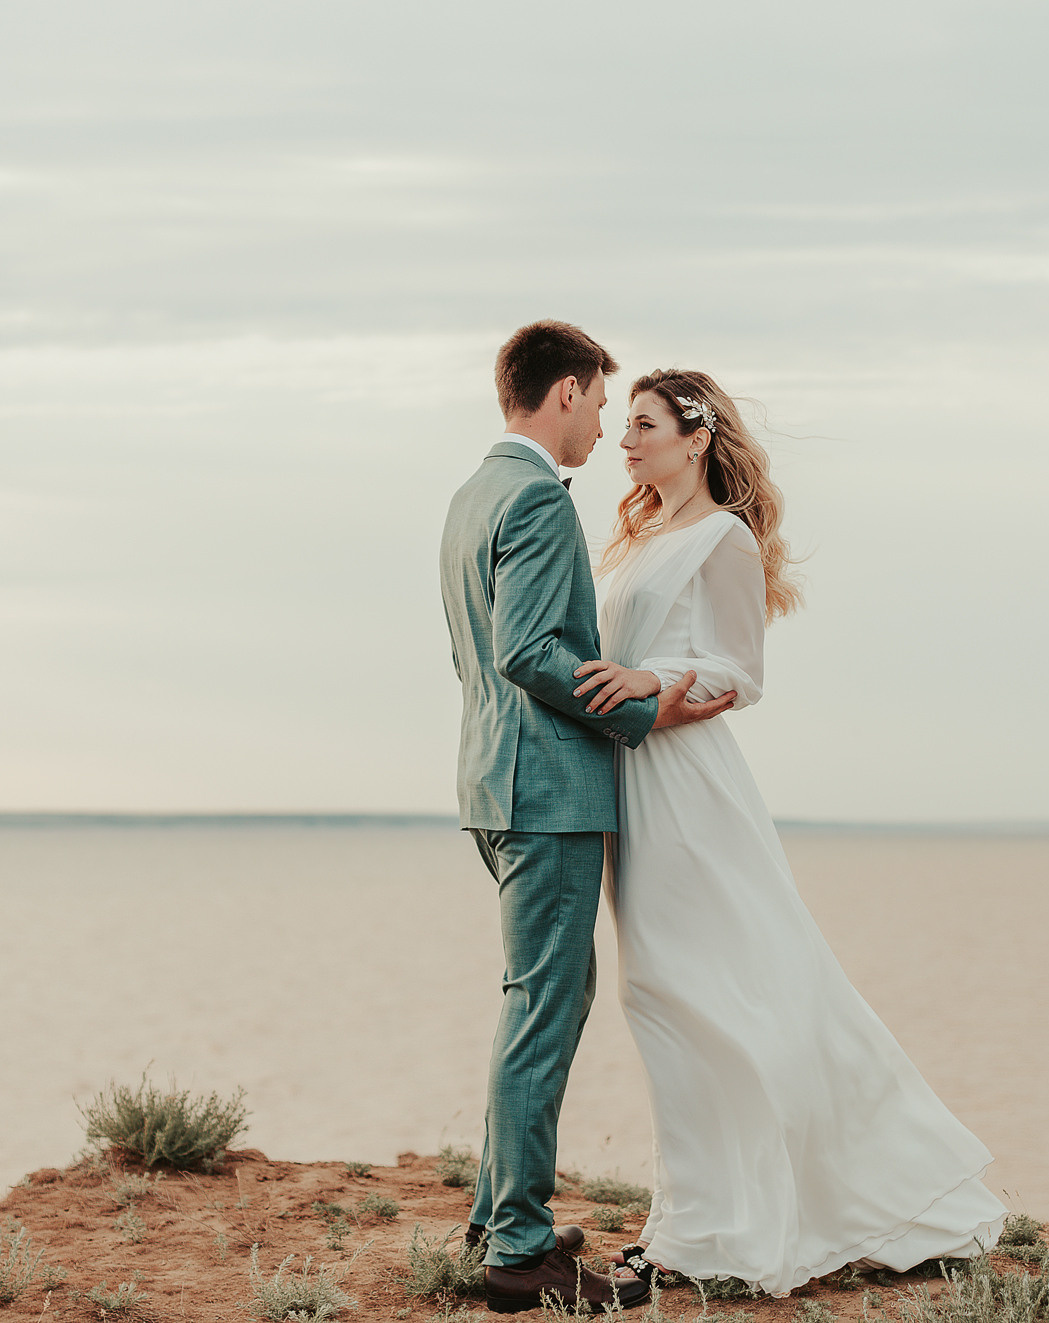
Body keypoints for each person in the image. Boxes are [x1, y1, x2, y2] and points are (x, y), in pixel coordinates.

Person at [569, 369, 1008, 1297]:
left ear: (694, 437)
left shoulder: (721, 537)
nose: (626, 440)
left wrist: (649, 680)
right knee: (660, 992)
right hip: (631, 781)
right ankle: (699, 1215)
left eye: (641, 424)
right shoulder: (642, 534)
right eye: (628, 426)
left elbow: (740, 673)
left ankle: (740, 1220)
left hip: (688, 789)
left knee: (715, 987)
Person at [438, 322, 736, 1314]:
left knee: (532, 994)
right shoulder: (530, 498)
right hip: (547, 793)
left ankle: (496, 1215)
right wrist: (644, 709)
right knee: (546, 1007)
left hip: (492, 781)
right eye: (602, 402)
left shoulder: (471, 494)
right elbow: (527, 651)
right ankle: (518, 1250)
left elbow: (480, 657)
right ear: (564, 392)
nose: (604, 422)